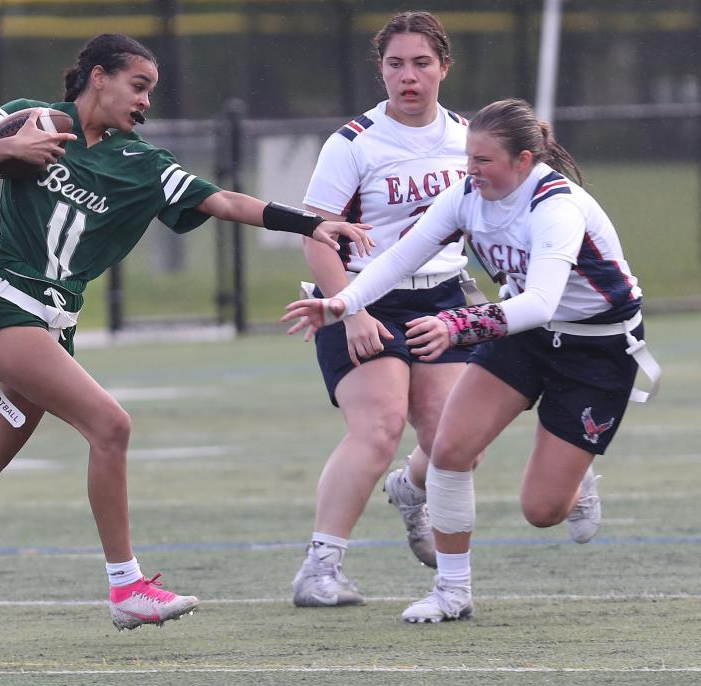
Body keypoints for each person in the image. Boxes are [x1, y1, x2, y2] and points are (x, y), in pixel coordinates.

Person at [0, 33, 373, 631]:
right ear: (98, 76)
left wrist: (312, 224)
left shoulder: (142, 162)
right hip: (6, 306)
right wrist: (11, 153)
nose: (145, 102)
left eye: (152, 92)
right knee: (111, 424)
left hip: (52, 323)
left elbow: (227, 203)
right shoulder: (32, 119)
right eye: (138, 85)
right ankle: (127, 587)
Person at [283, 97, 660, 622]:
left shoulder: (557, 206)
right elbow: (398, 257)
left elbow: (542, 301)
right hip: (522, 335)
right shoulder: (466, 192)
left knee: (542, 510)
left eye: (484, 161)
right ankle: (452, 592)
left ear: (524, 161)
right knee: (450, 448)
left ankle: (575, 481)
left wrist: (457, 324)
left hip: (594, 346)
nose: (470, 171)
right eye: (468, 158)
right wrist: (343, 302)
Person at [291, 11, 485, 608]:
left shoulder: (468, 137)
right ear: (380, 69)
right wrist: (350, 311)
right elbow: (316, 234)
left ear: (444, 67)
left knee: (456, 438)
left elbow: (490, 220)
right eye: (396, 64)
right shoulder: (353, 143)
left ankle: (413, 488)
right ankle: (320, 569)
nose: (409, 76)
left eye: (421, 63)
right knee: (377, 428)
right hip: (363, 296)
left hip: (443, 297)